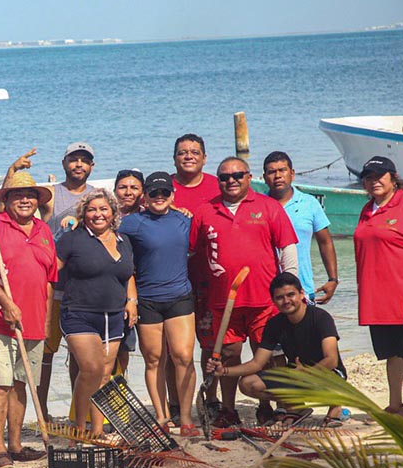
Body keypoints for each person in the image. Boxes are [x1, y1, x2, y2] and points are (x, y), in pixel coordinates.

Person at [189, 157, 299, 427]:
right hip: (222, 301)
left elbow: (287, 247)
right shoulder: (206, 211)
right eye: (224, 177)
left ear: (249, 177)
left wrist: (291, 288)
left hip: (264, 300)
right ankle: (228, 409)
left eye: (238, 175)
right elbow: (193, 254)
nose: (232, 181)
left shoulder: (268, 206)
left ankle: (268, 406)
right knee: (228, 355)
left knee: (269, 355)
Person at [0, 173, 57, 468]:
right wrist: (6, 304)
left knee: (21, 383)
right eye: (17, 195)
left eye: (30, 195)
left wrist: (46, 323)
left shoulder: (44, 230)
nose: (25, 200)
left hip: (33, 321)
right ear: (6, 200)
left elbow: (49, 280)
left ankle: (16, 444)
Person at [4, 143, 97, 418]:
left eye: (84, 160)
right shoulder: (52, 194)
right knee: (45, 353)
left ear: (92, 166)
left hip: (82, 289)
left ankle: (77, 413)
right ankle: (42, 410)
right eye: (73, 159)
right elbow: (9, 204)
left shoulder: (96, 195)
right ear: (64, 163)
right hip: (52, 287)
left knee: (80, 355)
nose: (78, 164)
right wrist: (13, 171)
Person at [206, 272, 347, 425]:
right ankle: (297, 407)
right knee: (247, 384)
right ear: (273, 301)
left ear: (301, 294)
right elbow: (257, 363)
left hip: (328, 375)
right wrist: (224, 371)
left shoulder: (320, 318)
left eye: (291, 295)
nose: (286, 301)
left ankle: (335, 406)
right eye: (280, 297)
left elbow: (331, 360)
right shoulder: (275, 324)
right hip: (295, 376)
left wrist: (307, 373)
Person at [354, 156, 403, 419]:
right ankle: (394, 404)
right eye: (368, 177)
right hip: (376, 296)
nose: (374, 181)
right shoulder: (367, 209)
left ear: (394, 177)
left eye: (379, 176)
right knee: (390, 353)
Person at [120, 172, 199, 435]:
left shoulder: (184, 220)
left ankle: (186, 418)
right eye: (154, 193)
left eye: (165, 192)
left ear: (172, 195)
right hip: (147, 300)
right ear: (145, 196)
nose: (159, 197)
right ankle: (162, 417)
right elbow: (105, 232)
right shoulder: (132, 223)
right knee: (154, 360)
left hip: (179, 297)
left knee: (183, 357)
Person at [56, 189, 136, 438]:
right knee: (90, 369)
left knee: (104, 375)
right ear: (83, 214)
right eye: (91, 210)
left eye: (103, 209)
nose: (98, 214)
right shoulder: (73, 239)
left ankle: (98, 431)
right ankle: (79, 429)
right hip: (78, 313)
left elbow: (128, 274)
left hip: (113, 317)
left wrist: (132, 300)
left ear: (113, 213)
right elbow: (50, 270)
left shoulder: (123, 240)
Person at [170, 134, 221, 416]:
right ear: (174, 158)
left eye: (194, 152)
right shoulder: (164, 188)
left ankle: (210, 398)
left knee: (211, 343)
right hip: (173, 281)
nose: (188, 156)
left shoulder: (218, 186)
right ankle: (177, 403)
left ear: (204, 157)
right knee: (175, 348)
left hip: (210, 279)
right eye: (182, 152)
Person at [262, 151, 339, 304]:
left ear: (292, 174)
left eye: (282, 170)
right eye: (272, 172)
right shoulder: (258, 205)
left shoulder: (309, 203)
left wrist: (333, 279)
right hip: (266, 291)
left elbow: (325, 242)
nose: (278, 176)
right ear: (264, 177)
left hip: (303, 289)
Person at [112, 169, 144, 375]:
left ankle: (120, 382)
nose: (128, 192)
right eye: (123, 187)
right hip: (117, 287)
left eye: (134, 188)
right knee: (116, 345)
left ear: (142, 192)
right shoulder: (107, 216)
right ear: (115, 190)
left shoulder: (149, 214)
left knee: (131, 347)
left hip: (145, 287)